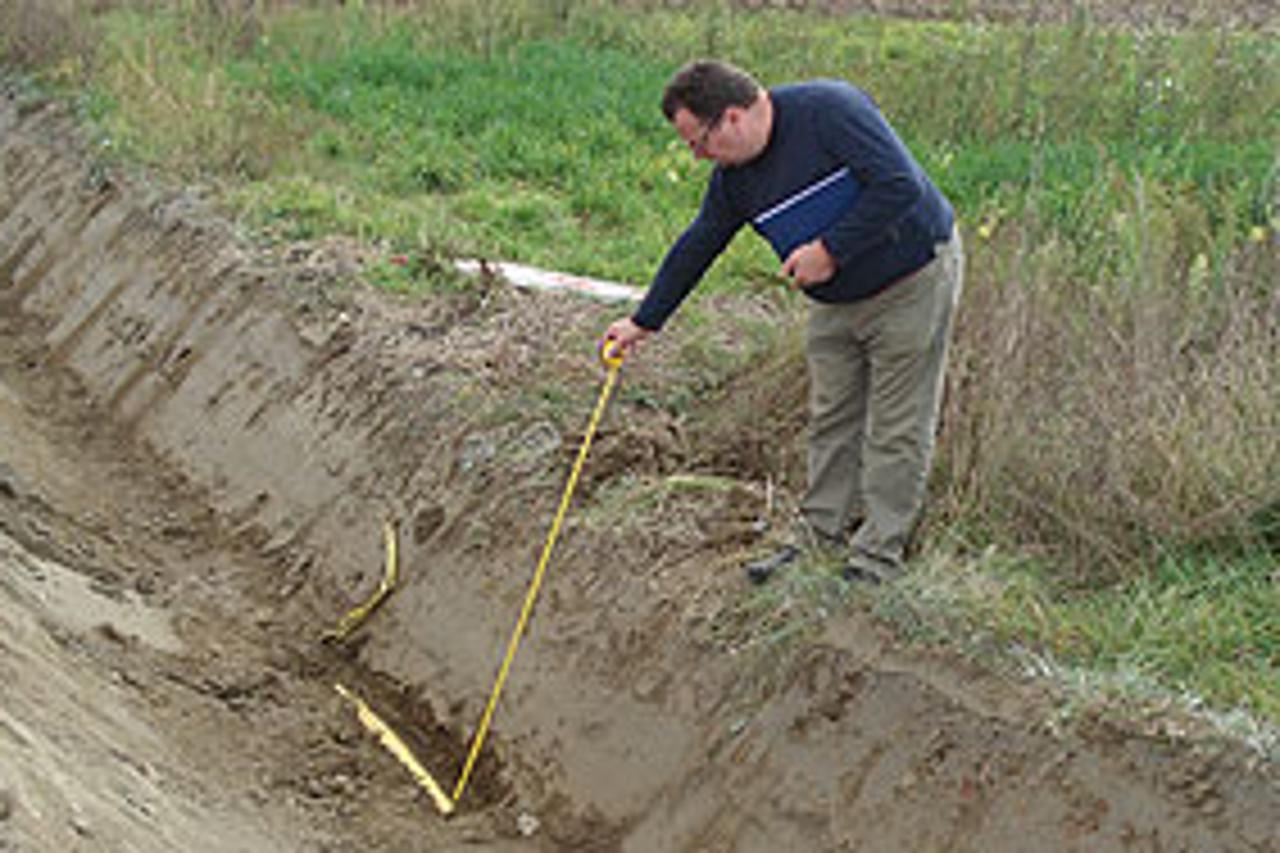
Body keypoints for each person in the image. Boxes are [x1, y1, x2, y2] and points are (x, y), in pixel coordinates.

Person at [601, 59, 963, 585]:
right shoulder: (734, 179)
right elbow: (701, 240)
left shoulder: (830, 112)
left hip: (911, 281)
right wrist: (644, 321)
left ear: (732, 118)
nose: (698, 157)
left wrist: (830, 251)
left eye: (698, 142)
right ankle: (818, 539)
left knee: (896, 427)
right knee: (832, 418)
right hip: (835, 300)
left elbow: (898, 184)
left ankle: (875, 558)